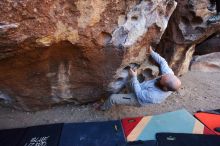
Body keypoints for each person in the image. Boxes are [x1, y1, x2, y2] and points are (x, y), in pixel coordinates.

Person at [100, 46, 181, 110]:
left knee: (113, 98)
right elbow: (162, 62)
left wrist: (134, 77)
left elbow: (138, 93)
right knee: (128, 78)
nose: (161, 76)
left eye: (161, 79)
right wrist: (151, 52)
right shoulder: (168, 76)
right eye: (163, 76)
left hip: (138, 99)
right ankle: (127, 89)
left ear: (165, 88)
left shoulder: (154, 96)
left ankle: (102, 108)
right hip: (143, 87)